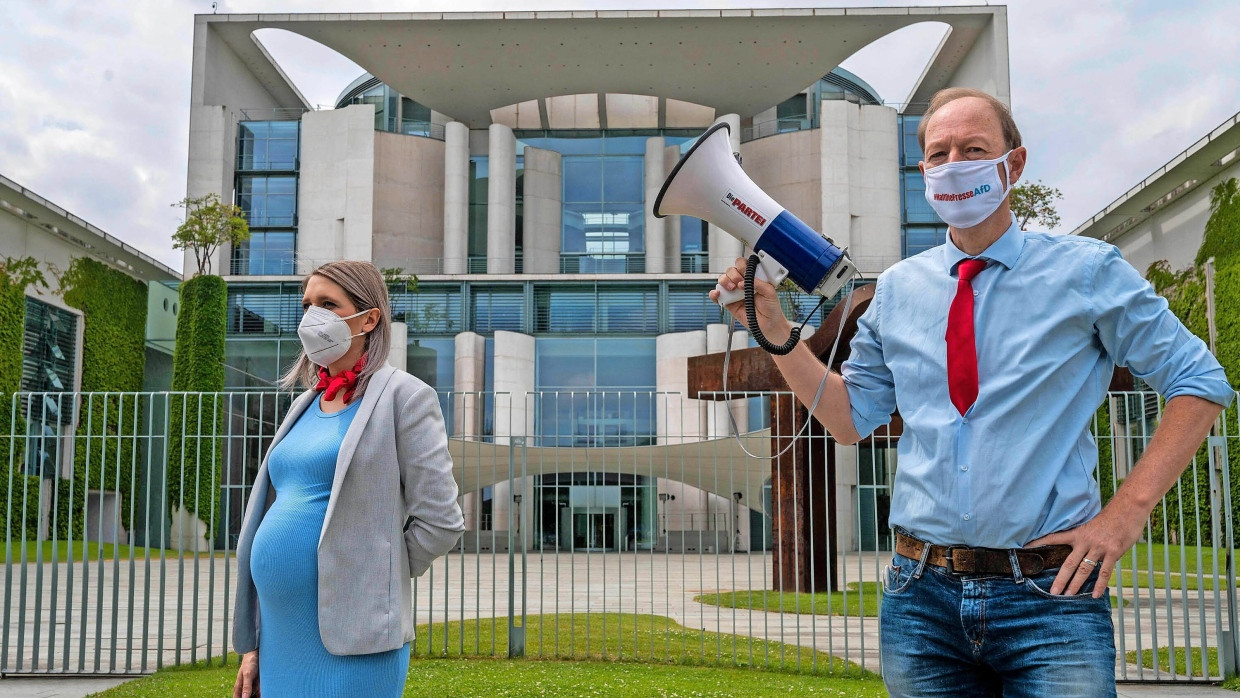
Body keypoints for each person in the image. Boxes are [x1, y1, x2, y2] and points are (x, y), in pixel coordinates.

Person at [711, 88, 1233, 697]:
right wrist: (773, 331)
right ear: (924, 171)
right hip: (919, 597)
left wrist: (1122, 519)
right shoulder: (898, 290)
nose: (953, 163)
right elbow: (849, 419)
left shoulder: (1086, 272)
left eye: (973, 149)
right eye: (938, 153)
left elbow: (1200, 382)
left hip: (1050, 595)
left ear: (1013, 164)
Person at [232, 260, 465, 698]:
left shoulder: (406, 397)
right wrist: (253, 647)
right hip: (279, 639)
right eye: (306, 305)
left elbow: (442, 520)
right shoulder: (304, 403)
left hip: (355, 642)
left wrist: (372, 573)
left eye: (327, 304)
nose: (311, 318)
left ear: (369, 317)